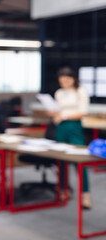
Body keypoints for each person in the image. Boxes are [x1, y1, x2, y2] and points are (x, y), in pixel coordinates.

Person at [49, 66, 91, 209]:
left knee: (79, 162)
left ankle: (86, 195)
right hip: (61, 128)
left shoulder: (81, 91)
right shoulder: (59, 93)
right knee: (60, 161)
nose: (64, 84)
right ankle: (64, 191)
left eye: (67, 81)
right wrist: (54, 115)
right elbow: (58, 110)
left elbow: (83, 112)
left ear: (73, 78)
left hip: (74, 127)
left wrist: (64, 115)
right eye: (62, 82)